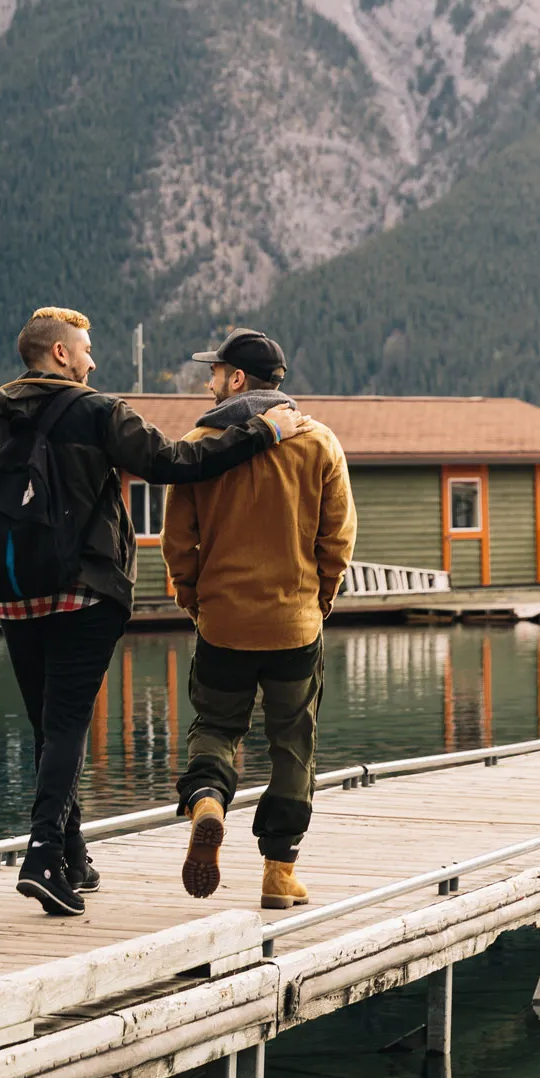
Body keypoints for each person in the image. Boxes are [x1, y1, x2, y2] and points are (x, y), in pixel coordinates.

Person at [0, 308, 315, 917]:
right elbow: (176, 463)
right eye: (87, 349)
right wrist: (263, 432)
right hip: (85, 595)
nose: (93, 360)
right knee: (67, 727)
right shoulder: (97, 412)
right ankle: (41, 855)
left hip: (16, 598)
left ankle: (72, 854)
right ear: (62, 355)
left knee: (47, 727)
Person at [163, 328, 355, 910]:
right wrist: (319, 600)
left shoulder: (200, 442)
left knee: (216, 728)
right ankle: (278, 873)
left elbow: (178, 541)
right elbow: (337, 537)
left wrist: (194, 599)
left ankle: (208, 804)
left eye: (216, 372)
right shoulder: (320, 443)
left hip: (223, 623)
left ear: (238, 379)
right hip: (294, 624)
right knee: (293, 745)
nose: (209, 381)